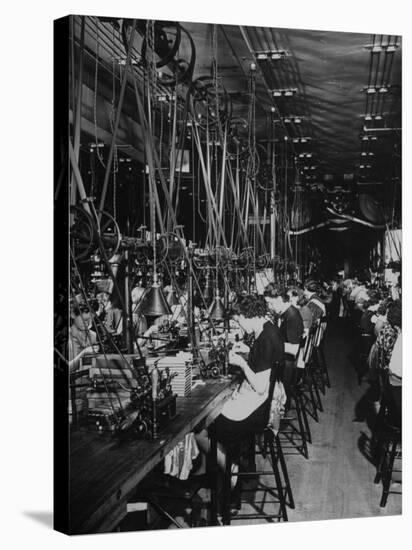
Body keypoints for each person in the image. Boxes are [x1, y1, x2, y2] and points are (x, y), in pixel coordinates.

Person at [195, 295, 284, 480]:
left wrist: (242, 364)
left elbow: (260, 387)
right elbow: (263, 364)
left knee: (200, 429)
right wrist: (249, 352)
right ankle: (221, 465)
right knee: (214, 412)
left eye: (239, 320)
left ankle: (230, 472)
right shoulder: (269, 329)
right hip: (264, 404)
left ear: (247, 315)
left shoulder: (266, 338)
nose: (241, 326)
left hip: (257, 411)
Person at [265, 286, 304, 392]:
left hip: (288, 367)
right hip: (286, 362)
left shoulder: (292, 317)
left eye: (270, 303)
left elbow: (293, 349)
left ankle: (272, 401)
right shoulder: (287, 312)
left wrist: (271, 344)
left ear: (278, 299)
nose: (269, 307)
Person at [68, 299, 98, 372]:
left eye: (91, 320)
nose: (87, 324)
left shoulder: (93, 335)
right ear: (73, 315)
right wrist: (84, 353)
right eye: (85, 320)